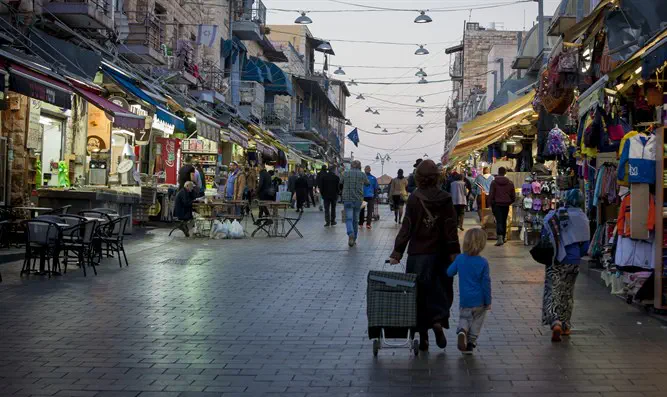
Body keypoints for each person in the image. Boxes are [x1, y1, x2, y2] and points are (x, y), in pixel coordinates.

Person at [388, 159, 461, 351]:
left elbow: (407, 227)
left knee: (418, 295)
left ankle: (424, 337)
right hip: (441, 255)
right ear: (437, 177)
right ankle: (437, 321)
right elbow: (450, 228)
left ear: (418, 178)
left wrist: (397, 253)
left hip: (418, 255)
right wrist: (455, 252)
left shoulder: (414, 198)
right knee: (441, 291)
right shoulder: (445, 198)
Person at [541, 189, 590, 342]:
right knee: (567, 293)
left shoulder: (554, 215)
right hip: (573, 260)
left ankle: (555, 322)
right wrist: (576, 254)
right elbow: (586, 244)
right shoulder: (583, 218)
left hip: (555, 259)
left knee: (553, 290)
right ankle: (566, 325)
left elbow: (545, 235)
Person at [447, 228, 492, 355]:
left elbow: (449, 272)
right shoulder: (483, 262)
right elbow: (486, 283)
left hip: (465, 299)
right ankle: (470, 343)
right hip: (480, 300)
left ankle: (462, 331)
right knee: (477, 321)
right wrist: (488, 301)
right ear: (482, 244)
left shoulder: (460, 259)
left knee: (465, 318)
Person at [341, 160, 369, 247]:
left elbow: (341, 182)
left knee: (348, 219)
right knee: (355, 220)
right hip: (358, 199)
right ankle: (354, 239)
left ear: (351, 166)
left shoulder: (345, 173)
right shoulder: (362, 174)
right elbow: (367, 184)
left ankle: (350, 233)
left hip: (347, 199)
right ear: (360, 166)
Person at [488, 167, 515, 246]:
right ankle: (503, 237)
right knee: (504, 220)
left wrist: (490, 203)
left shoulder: (494, 182)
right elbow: (513, 195)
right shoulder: (510, 183)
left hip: (496, 204)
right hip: (506, 204)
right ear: (505, 173)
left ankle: (500, 238)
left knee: (499, 220)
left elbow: (491, 194)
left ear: (498, 172)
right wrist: (510, 201)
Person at [358, 165, 378, 230]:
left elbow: (375, 188)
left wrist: (374, 196)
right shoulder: (371, 178)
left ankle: (365, 224)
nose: (367, 170)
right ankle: (364, 224)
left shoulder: (372, 178)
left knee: (366, 210)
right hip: (366, 196)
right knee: (365, 210)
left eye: (367, 169)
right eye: (366, 169)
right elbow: (376, 188)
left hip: (367, 196)